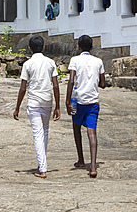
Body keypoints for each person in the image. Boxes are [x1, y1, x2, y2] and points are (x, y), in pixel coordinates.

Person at [13, 36, 60, 178]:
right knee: (44, 132)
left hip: (34, 102)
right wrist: (58, 106)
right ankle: (42, 163)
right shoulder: (50, 62)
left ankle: (42, 169)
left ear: (30, 48)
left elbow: (22, 88)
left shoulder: (28, 64)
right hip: (47, 101)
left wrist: (17, 107)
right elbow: (56, 85)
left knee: (38, 134)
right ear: (44, 47)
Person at [66, 35, 106, 179]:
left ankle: (81, 159)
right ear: (92, 47)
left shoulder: (75, 60)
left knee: (76, 127)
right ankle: (93, 166)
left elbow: (71, 80)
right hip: (93, 100)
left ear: (79, 47)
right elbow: (103, 84)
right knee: (92, 132)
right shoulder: (98, 61)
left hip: (79, 100)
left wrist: (67, 101)